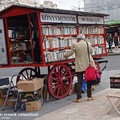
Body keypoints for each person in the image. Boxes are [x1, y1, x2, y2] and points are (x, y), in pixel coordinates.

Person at [64, 34, 96, 102]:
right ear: (84, 39)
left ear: (78, 39)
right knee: (88, 80)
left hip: (80, 65)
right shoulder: (88, 44)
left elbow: (70, 53)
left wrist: (64, 55)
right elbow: (91, 52)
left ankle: (79, 97)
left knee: (79, 81)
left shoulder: (75, 45)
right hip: (88, 64)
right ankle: (89, 96)